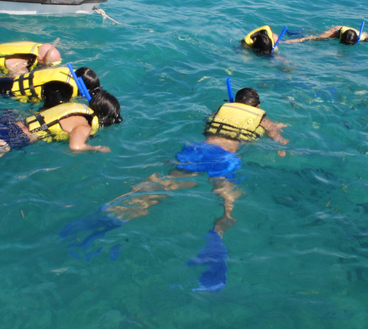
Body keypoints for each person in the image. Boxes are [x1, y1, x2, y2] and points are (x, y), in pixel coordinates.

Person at [59, 87, 287, 291]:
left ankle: (113, 214)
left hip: (197, 151)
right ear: (257, 106)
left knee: (160, 186)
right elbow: (277, 137)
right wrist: (280, 139)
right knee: (228, 205)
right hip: (224, 158)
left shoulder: (221, 110)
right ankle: (217, 235)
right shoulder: (261, 117)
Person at [282, 24, 368, 45]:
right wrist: (286, 42)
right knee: (317, 37)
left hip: (350, 33)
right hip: (338, 29)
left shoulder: (362, 38)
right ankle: (297, 32)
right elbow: (309, 39)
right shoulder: (334, 34)